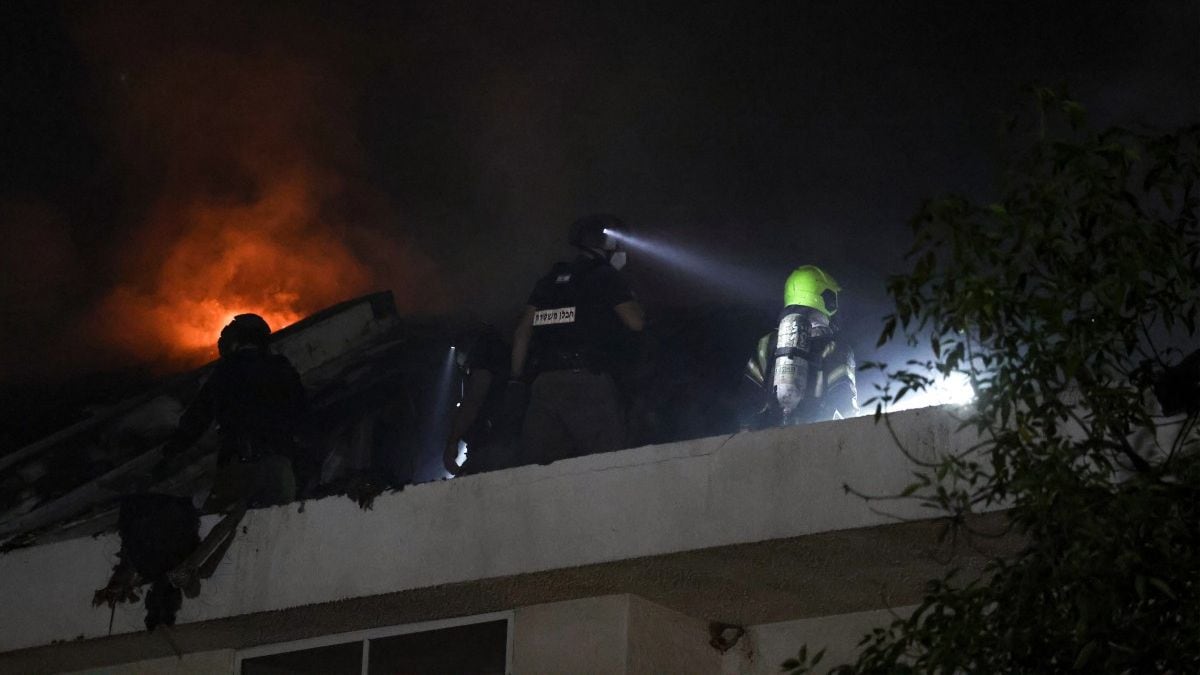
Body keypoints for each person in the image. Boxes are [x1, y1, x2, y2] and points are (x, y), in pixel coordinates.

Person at [510, 214, 645, 465]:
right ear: (607, 242)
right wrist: (629, 290)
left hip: (545, 385)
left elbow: (522, 332)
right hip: (587, 384)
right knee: (609, 467)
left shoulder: (550, 280)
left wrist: (516, 380)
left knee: (538, 472)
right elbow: (636, 322)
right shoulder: (605, 276)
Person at [743, 265, 857, 427]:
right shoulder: (835, 347)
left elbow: (748, 399)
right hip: (817, 441)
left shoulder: (766, 343)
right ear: (827, 299)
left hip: (767, 441)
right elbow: (845, 405)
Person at [443, 323, 517, 475]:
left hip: (489, 444)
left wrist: (452, 441)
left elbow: (473, 399)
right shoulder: (506, 356)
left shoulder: (484, 353)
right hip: (507, 440)